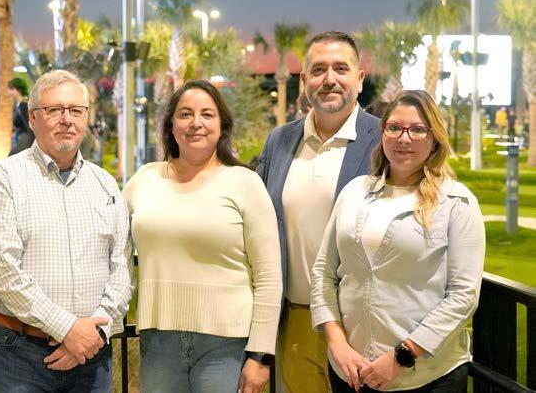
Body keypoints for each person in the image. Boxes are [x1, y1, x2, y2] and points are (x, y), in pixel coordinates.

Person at [311, 90, 485, 392]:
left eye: (417, 130)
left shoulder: (456, 202)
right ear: (383, 133)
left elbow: (463, 296)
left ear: (435, 139)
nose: (404, 139)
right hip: (350, 371)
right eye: (394, 128)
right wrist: (337, 343)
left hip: (425, 377)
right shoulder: (354, 192)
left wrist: (403, 356)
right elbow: (323, 273)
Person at [0, 70, 132, 392]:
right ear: (32, 118)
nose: (67, 120)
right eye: (54, 110)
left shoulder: (105, 184)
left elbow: (122, 267)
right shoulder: (4, 179)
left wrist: (95, 333)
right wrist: (69, 329)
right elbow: (2, 271)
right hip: (16, 354)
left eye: (76, 110)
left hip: (91, 355)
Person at [123, 79, 282, 393]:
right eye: (185, 114)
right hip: (158, 342)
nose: (196, 123)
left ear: (222, 127)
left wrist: (260, 355)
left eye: (207, 114)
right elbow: (108, 242)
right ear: (171, 127)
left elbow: (268, 276)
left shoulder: (245, 183)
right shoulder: (145, 179)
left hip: (226, 346)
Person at [256, 31, 381, 392]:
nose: (329, 79)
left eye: (341, 68)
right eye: (318, 69)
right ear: (304, 80)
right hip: (295, 318)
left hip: (361, 325)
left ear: (359, 78)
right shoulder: (280, 141)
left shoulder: (383, 141)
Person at [8, 77, 34, 155]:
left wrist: (33, 145)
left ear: (18, 89)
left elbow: (29, 125)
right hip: (20, 139)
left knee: (11, 158)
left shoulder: (23, 104)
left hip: (24, 141)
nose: (9, 92)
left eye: (11, 89)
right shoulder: (18, 104)